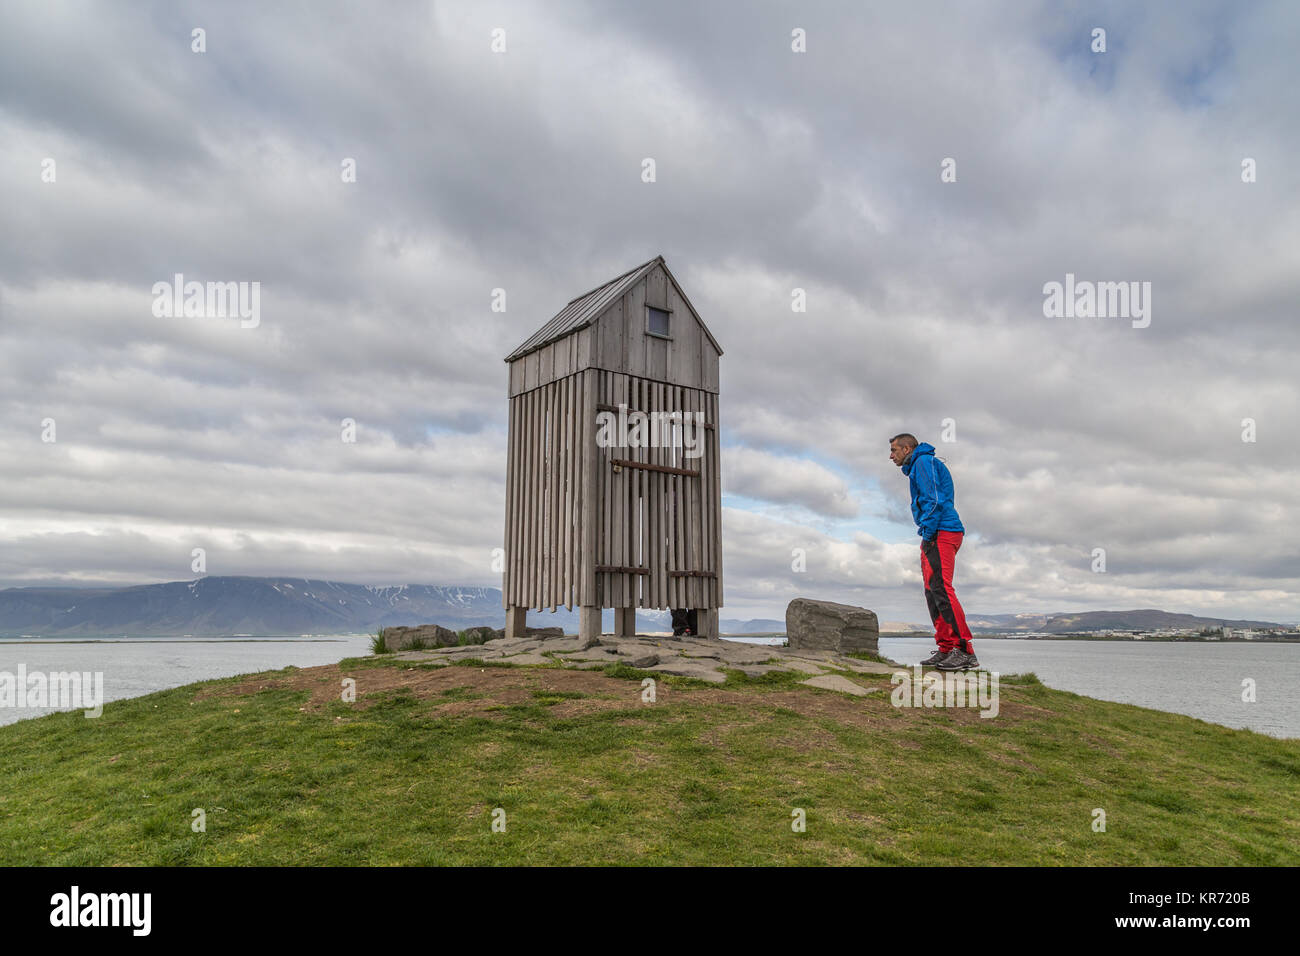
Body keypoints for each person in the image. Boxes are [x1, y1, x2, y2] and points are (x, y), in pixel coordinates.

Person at [889, 433, 979, 671]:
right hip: (936, 532)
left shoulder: (923, 462)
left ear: (907, 448)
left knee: (941, 588)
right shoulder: (919, 464)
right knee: (932, 591)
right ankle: (947, 648)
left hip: (941, 531)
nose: (891, 456)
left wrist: (928, 533)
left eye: (894, 450)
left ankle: (963, 651)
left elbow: (935, 500)